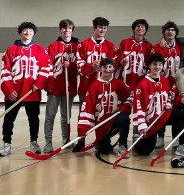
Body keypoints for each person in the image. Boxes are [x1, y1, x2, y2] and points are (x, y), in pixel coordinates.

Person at [0, 22, 50, 156]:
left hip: (32, 91)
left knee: (33, 118)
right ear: (20, 32)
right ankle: (7, 144)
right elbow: (5, 71)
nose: (28, 32)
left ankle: (34, 143)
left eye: (30, 30)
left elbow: (46, 68)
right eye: (25, 30)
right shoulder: (11, 50)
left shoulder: (40, 49)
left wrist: (38, 84)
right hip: (14, 93)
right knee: (9, 118)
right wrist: (9, 90)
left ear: (34, 33)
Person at [132, 54, 184, 156]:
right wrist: (142, 126)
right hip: (151, 120)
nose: (157, 67)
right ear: (149, 66)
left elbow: (168, 96)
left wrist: (168, 104)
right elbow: (138, 107)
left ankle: (182, 145)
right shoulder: (143, 84)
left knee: (183, 116)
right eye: (155, 64)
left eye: (160, 64)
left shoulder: (164, 80)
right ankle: (137, 138)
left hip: (163, 115)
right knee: (145, 151)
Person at [75, 57, 133, 157]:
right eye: (104, 67)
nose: (107, 70)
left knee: (125, 118)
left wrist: (126, 105)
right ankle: (101, 142)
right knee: (104, 150)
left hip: (115, 118)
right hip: (102, 122)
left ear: (114, 68)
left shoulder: (119, 84)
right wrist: (83, 129)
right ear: (100, 69)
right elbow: (87, 108)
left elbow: (131, 95)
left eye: (110, 67)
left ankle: (122, 146)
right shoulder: (94, 86)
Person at [44, 19, 79, 153]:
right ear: (60, 30)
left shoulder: (78, 46)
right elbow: (47, 68)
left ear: (72, 30)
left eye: (69, 28)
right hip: (55, 87)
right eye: (64, 28)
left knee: (66, 115)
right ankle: (48, 142)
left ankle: (66, 140)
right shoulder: (53, 46)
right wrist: (49, 85)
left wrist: (71, 66)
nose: (66, 31)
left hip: (69, 87)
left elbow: (80, 67)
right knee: (50, 116)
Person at [76, 17, 116, 112]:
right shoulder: (83, 44)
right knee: (84, 115)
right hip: (86, 86)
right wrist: (91, 66)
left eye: (105, 28)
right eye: (100, 27)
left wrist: (103, 66)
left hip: (105, 87)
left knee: (102, 114)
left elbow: (114, 64)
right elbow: (79, 64)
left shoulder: (110, 46)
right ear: (94, 27)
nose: (103, 30)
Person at [115, 19, 154, 90]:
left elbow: (151, 64)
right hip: (126, 78)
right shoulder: (124, 42)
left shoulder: (148, 46)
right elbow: (116, 58)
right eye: (138, 26)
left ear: (145, 30)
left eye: (142, 27)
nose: (140, 28)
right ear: (134, 29)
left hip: (141, 78)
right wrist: (120, 61)